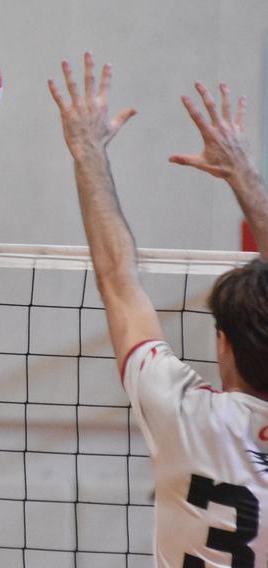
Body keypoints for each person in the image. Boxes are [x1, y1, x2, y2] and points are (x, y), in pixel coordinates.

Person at [49, 53, 268, 566]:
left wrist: (86, 150)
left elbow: (118, 280)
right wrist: (245, 175)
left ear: (223, 343)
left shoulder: (183, 413)